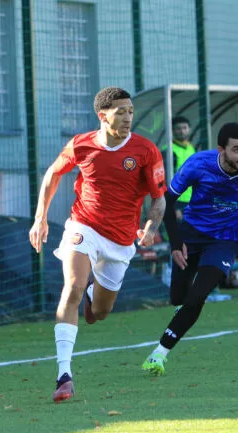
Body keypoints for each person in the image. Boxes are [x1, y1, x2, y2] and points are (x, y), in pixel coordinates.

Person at [29, 87, 167, 402]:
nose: (128, 117)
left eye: (131, 111)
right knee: (73, 287)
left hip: (121, 240)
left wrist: (150, 227)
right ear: (103, 116)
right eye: (121, 111)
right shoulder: (81, 145)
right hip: (84, 226)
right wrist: (41, 218)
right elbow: (52, 174)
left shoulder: (146, 151)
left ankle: (95, 294)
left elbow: (159, 199)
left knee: (99, 313)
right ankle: (64, 375)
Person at [140, 122, 238, 376]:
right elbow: (167, 201)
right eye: (236, 150)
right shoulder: (198, 164)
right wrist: (176, 243)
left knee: (197, 296)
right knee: (178, 298)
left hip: (227, 240)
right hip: (192, 234)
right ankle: (184, 312)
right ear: (221, 149)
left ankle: (159, 353)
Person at [161, 116, 197, 219]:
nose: (182, 131)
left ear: (189, 129)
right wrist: (174, 206)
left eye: (184, 128)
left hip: (191, 200)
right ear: (172, 131)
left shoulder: (191, 148)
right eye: (178, 128)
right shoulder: (168, 151)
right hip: (177, 201)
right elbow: (165, 180)